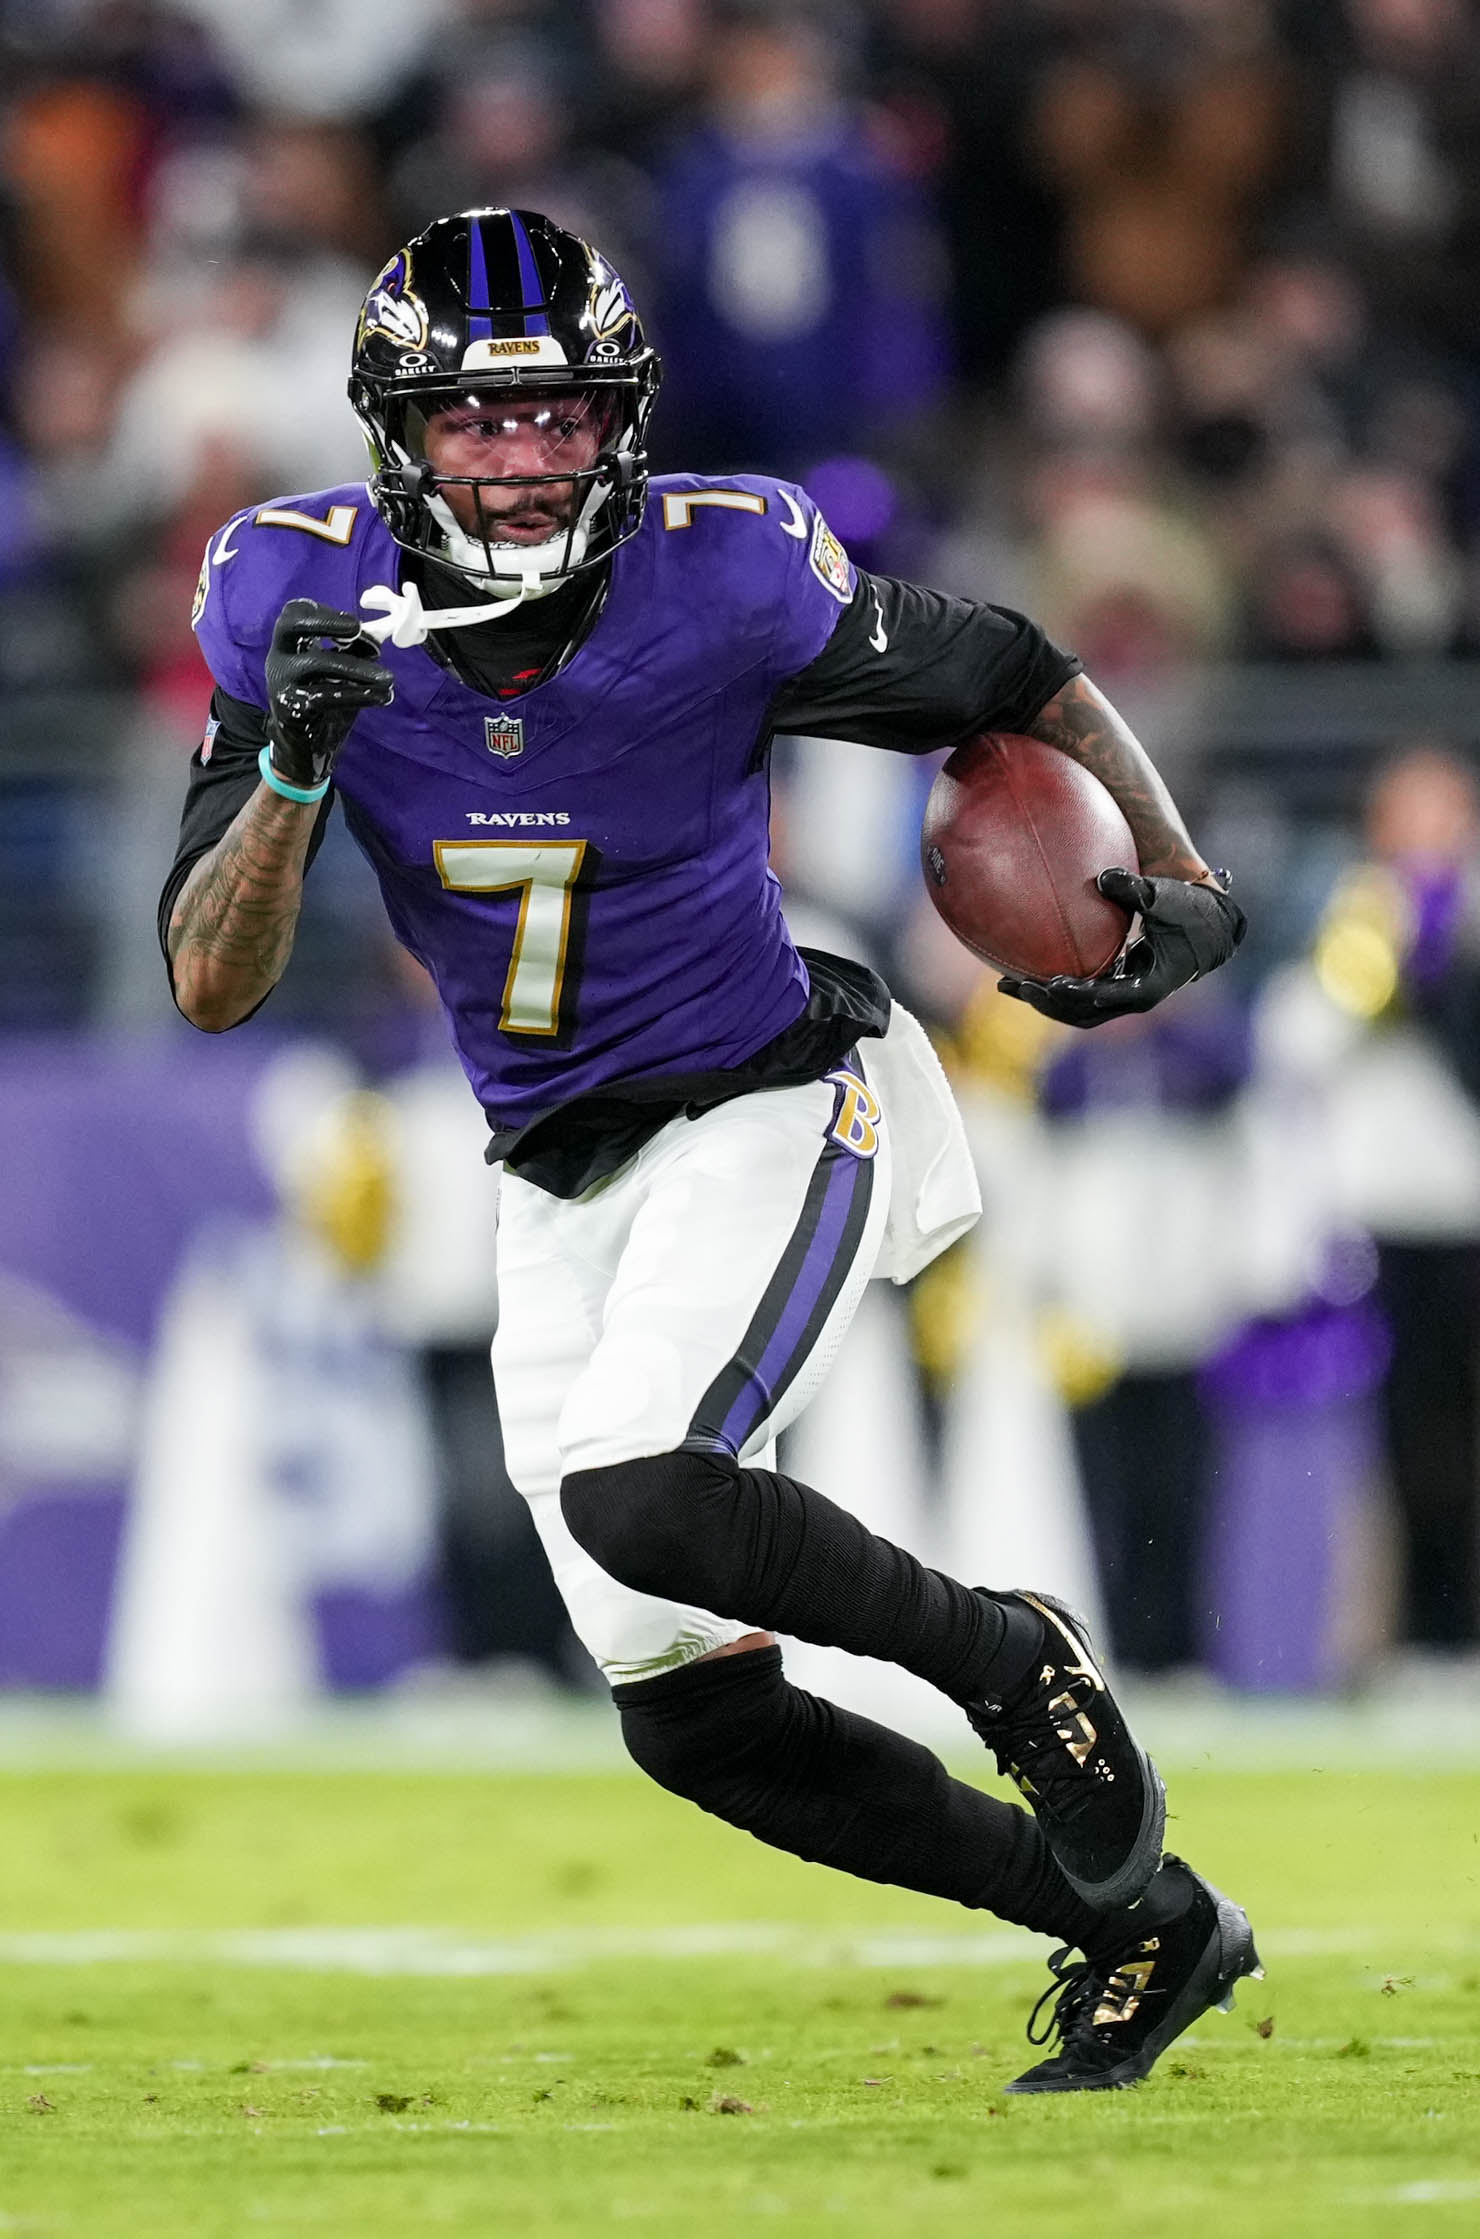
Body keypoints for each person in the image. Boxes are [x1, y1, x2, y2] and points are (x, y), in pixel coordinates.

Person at [159, 208, 1257, 2093]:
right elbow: (208, 976)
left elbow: (1012, 666)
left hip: (769, 1091)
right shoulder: (289, 600)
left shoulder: (727, 578)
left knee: (645, 1489)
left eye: (557, 420)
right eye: (475, 425)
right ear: (390, 434)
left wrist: (1177, 868)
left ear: (622, 426)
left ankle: (1012, 1655)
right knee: (694, 1722)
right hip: (547, 1166)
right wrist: (288, 773)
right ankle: (1141, 1924)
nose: (518, 462)